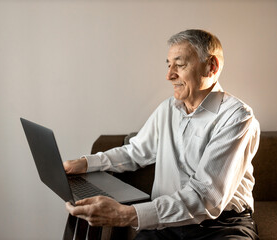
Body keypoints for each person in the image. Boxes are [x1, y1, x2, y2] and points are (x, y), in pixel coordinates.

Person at [64, 29, 260, 239]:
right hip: (166, 223)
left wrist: (127, 215)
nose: (169, 75)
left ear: (211, 66)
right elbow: (136, 152)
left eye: (180, 65)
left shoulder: (238, 118)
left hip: (220, 226)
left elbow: (206, 198)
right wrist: (84, 163)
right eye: (168, 65)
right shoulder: (168, 108)